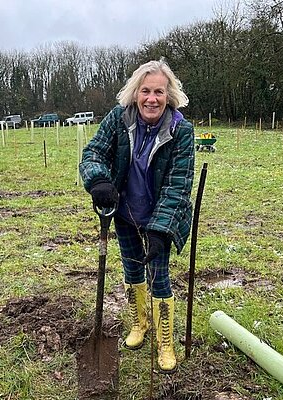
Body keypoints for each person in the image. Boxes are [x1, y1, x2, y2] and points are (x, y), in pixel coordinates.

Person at [79, 59, 194, 373]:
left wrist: (161, 230)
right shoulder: (119, 119)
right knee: (132, 271)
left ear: (169, 96)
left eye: (159, 91)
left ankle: (165, 340)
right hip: (125, 214)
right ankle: (139, 324)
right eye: (146, 91)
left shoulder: (180, 130)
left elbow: (178, 184)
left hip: (160, 218)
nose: (151, 99)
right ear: (135, 93)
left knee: (159, 276)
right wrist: (99, 180)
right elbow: (93, 153)